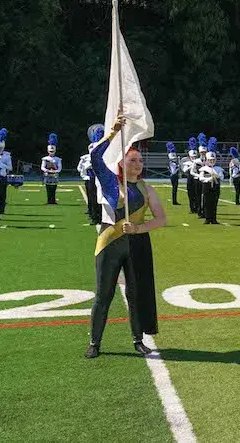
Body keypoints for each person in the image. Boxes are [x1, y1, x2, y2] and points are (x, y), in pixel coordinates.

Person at [86, 116, 166, 359]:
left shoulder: (146, 188)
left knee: (136, 293)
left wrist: (139, 229)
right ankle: (95, 342)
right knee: (104, 295)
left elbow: (161, 219)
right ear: (122, 162)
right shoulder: (110, 182)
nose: (138, 164)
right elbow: (95, 158)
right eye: (133, 160)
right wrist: (113, 133)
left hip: (137, 243)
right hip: (110, 242)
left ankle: (138, 340)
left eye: (141, 160)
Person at [199, 138, 224, 224]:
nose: (212, 161)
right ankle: (207, 218)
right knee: (206, 202)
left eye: (213, 160)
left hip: (216, 186)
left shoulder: (218, 168)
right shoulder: (204, 168)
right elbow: (201, 178)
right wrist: (208, 179)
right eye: (210, 160)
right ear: (207, 160)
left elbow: (222, 176)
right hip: (207, 186)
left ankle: (214, 219)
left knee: (214, 202)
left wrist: (216, 176)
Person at [0, 128, 12, 217]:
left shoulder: (7, 156)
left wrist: (2, 165)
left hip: (3, 176)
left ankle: (1, 210)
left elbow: (10, 168)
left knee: (2, 195)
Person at [41, 133, 62, 205]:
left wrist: (55, 171)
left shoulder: (58, 159)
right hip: (47, 175)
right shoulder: (45, 158)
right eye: (50, 151)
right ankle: (48, 200)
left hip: (54, 175)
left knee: (54, 188)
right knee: (48, 188)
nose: (51, 153)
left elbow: (59, 168)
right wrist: (47, 170)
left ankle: (53, 200)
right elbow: (42, 167)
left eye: (52, 151)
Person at [182, 137, 199, 214]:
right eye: (192, 157)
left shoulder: (199, 162)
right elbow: (184, 170)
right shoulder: (187, 162)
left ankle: (197, 208)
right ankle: (192, 208)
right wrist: (191, 166)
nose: (194, 158)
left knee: (197, 194)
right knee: (190, 194)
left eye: (195, 157)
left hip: (197, 179)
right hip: (190, 179)